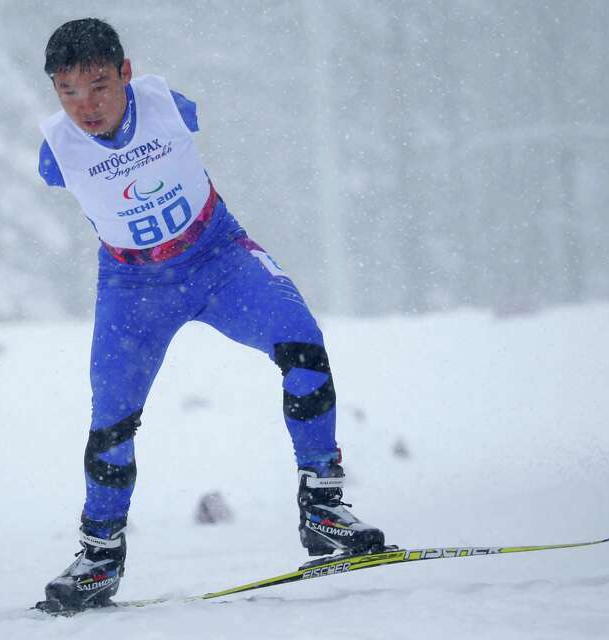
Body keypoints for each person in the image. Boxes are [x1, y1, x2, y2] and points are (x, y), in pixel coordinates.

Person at [36, 18, 384, 611]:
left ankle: (324, 510)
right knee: (112, 420)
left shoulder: (166, 105)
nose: (84, 106)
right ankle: (99, 556)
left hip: (220, 258)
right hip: (133, 288)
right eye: (67, 92)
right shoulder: (56, 151)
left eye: (97, 85)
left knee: (303, 348)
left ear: (126, 72)